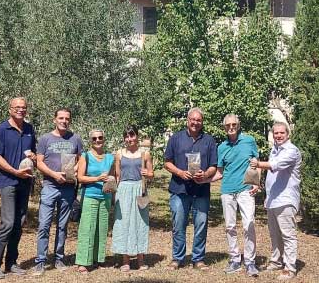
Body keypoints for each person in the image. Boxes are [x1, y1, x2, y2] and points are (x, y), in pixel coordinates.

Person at [31, 107, 83, 276]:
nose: (64, 121)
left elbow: (81, 160)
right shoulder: (45, 139)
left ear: (70, 121)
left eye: (67, 118)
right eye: (61, 118)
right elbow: (39, 162)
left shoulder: (75, 138)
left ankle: (59, 258)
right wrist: (54, 175)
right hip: (50, 187)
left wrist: (72, 171)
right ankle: (40, 261)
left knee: (62, 226)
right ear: (55, 119)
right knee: (44, 225)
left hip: (67, 188)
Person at [0, 97, 36, 279]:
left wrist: (34, 157)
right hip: (8, 182)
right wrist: (16, 172)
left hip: (25, 182)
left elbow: (33, 154)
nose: (21, 110)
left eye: (23, 107)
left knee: (19, 223)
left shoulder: (29, 129)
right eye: (17, 107)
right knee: (8, 223)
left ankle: (11, 262)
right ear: (10, 109)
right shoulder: (2, 130)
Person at [164, 107, 217, 270]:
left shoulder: (209, 140)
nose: (195, 122)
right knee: (178, 224)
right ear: (188, 120)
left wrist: (205, 174)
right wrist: (180, 172)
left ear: (202, 122)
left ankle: (198, 259)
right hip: (179, 190)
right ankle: (177, 258)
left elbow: (214, 166)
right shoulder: (176, 138)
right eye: (193, 119)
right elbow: (167, 162)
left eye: (198, 120)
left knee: (201, 224)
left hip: (201, 190)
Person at [250, 122, 302, 280]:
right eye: (276, 133)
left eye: (281, 133)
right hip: (273, 199)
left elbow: (275, 166)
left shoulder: (291, 151)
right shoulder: (275, 149)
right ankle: (276, 261)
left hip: (286, 199)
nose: (278, 135)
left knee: (287, 235)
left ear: (288, 134)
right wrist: (259, 186)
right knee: (274, 234)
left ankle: (290, 267)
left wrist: (258, 164)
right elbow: (272, 175)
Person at [212, 114, 260, 277]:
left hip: (245, 190)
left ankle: (250, 262)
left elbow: (256, 163)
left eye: (234, 124)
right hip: (227, 191)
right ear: (224, 127)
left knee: (249, 224)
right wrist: (202, 179)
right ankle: (234, 260)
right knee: (230, 226)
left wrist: (257, 182)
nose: (231, 127)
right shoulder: (221, 147)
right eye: (227, 125)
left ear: (238, 125)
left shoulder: (249, 141)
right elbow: (219, 172)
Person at [111, 125, 154, 271]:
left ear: (137, 136)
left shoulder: (145, 154)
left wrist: (147, 173)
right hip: (123, 190)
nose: (130, 139)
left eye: (132, 135)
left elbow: (151, 174)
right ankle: (126, 261)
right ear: (124, 138)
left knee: (140, 223)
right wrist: (114, 194)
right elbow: (117, 176)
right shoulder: (119, 153)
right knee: (124, 223)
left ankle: (141, 260)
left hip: (140, 189)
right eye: (127, 136)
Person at [75, 129, 116, 273]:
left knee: (101, 228)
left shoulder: (111, 157)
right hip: (90, 196)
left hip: (105, 197)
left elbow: (113, 177)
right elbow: (80, 178)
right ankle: (83, 262)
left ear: (104, 139)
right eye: (94, 139)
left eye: (100, 138)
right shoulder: (85, 156)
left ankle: (98, 259)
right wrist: (97, 178)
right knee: (87, 228)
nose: (98, 140)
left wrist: (113, 190)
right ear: (90, 141)